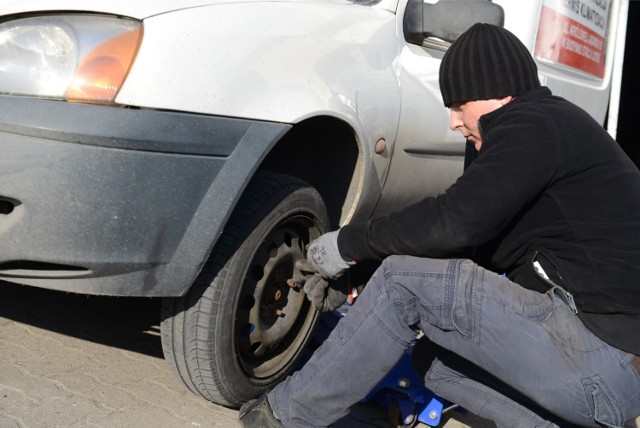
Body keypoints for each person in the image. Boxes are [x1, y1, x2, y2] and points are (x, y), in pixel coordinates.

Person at [238, 23, 640, 427]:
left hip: (600, 356)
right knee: (434, 362)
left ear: (494, 92)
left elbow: (454, 222)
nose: (453, 122)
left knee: (401, 284)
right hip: (614, 382)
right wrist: (360, 274)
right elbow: (468, 250)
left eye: (458, 106)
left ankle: (286, 417)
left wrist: (348, 245)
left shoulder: (535, 125)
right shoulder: (546, 128)